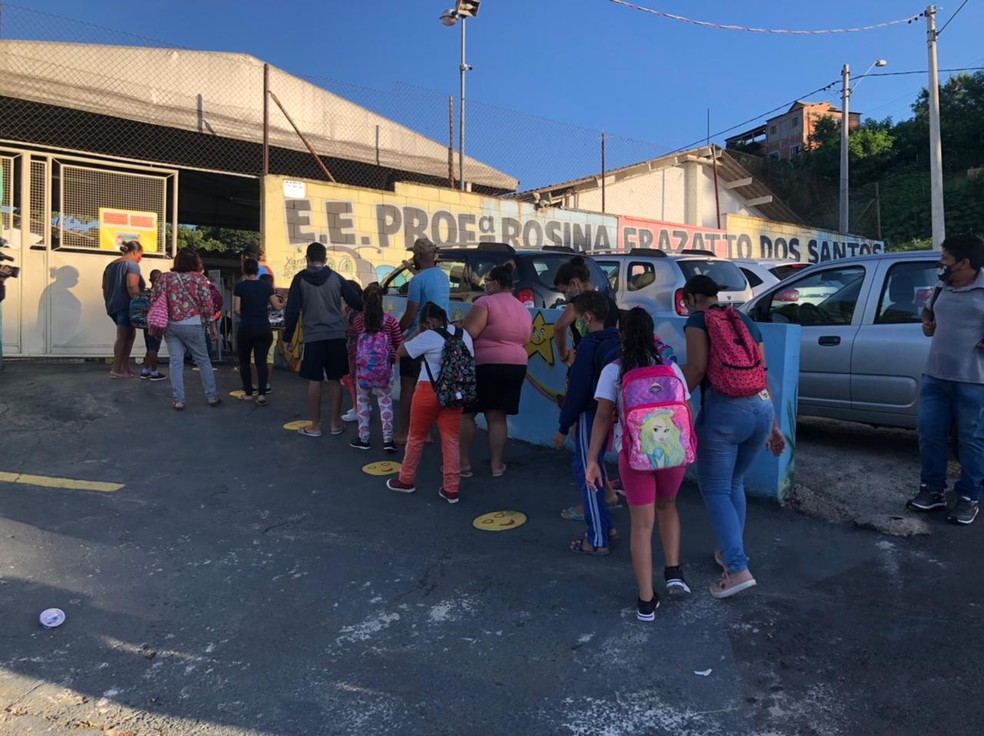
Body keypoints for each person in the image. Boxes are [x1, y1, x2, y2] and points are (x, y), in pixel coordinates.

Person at [681, 275, 785, 599]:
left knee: (713, 489)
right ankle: (728, 553)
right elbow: (760, 373)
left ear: (691, 298)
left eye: (685, 301)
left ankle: (737, 569)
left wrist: (672, 395)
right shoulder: (743, 320)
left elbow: (697, 369)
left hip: (726, 414)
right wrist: (775, 426)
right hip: (761, 411)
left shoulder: (699, 321)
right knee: (734, 483)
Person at [584, 307, 691, 621]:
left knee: (642, 526)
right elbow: (686, 412)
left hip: (634, 457)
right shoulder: (671, 368)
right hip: (672, 454)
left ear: (621, 334)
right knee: (668, 506)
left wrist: (593, 460)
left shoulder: (613, 371)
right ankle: (673, 571)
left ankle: (646, 601)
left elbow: (603, 419)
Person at [907, 234, 984, 525]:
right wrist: (927, 322)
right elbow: (928, 312)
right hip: (936, 375)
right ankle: (932, 491)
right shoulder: (943, 285)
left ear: (965, 263)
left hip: (974, 380)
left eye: (946, 260)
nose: (941, 265)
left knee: (971, 441)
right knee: (929, 433)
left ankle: (967, 497)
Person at [553, 255, 623, 519]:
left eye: (564, 290)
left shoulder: (580, 304)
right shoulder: (609, 301)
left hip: (586, 370)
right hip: (608, 371)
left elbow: (558, 328)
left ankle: (593, 504)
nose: (564, 296)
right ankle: (606, 493)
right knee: (597, 433)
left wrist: (563, 354)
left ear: (573, 283)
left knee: (583, 440)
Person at [387, 302, 474, 503]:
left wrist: (417, 331)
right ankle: (451, 489)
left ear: (429, 321)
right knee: (451, 439)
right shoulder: (464, 335)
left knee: (416, 437)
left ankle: (406, 480)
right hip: (455, 392)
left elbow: (401, 350)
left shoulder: (428, 336)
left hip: (428, 390)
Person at [283, 242, 364, 437]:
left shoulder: (300, 279)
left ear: (307, 259)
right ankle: (335, 424)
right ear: (325, 259)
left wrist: (287, 338)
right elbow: (357, 301)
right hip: (336, 335)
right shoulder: (336, 278)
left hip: (313, 337)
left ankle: (315, 426)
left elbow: (292, 311)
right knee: (335, 379)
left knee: (315, 380)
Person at [459, 263, 533, 477]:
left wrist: (461, 324)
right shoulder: (523, 309)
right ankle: (496, 466)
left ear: (497, 283)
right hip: (516, 365)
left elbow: (471, 332)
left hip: (486, 364)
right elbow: (526, 339)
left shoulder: (485, 302)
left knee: (466, 414)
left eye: (488, 281)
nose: (486, 285)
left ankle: (462, 464)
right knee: (497, 416)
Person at [151, 248, 223, 410]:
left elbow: (155, 299)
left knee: (176, 362)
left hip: (170, 325)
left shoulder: (164, 278)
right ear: (194, 262)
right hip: (193, 324)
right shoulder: (199, 279)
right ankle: (211, 396)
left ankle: (179, 400)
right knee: (203, 361)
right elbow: (207, 304)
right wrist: (211, 326)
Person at [395, 237, 450, 444]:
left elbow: (410, 314)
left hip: (420, 334)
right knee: (430, 386)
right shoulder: (442, 276)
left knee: (409, 386)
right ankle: (426, 432)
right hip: (442, 336)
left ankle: (406, 432)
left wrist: (397, 333)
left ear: (417, 256)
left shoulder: (417, 280)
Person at [349, 283, 403, 452]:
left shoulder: (358, 320)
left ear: (364, 300)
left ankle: (364, 438)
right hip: (385, 367)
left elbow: (356, 337)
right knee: (385, 402)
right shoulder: (390, 321)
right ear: (382, 301)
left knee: (363, 401)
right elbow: (398, 342)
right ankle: (388, 440)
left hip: (363, 369)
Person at [233, 258, 284, 406]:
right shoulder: (265, 286)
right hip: (263, 327)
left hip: (246, 328)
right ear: (257, 270)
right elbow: (277, 306)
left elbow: (236, 309)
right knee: (261, 361)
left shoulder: (240, 287)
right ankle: (262, 395)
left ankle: (249, 393)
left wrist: (247, 316)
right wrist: (284, 301)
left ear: (244, 270)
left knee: (245, 361)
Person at [102, 240, 144, 378]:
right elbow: (132, 285)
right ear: (134, 252)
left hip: (113, 305)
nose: (140, 258)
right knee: (123, 336)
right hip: (126, 305)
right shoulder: (132, 265)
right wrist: (140, 302)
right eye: (140, 255)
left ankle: (124, 367)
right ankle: (116, 369)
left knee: (129, 335)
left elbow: (104, 287)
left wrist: (108, 302)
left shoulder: (110, 266)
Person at [341, 279, 363, 424]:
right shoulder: (356, 308)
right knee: (351, 379)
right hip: (355, 349)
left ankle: (358, 409)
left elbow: (353, 329)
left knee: (352, 379)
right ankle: (359, 406)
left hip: (354, 349)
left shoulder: (354, 311)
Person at [139, 269, 166, 381]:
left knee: (149, 347)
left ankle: (145, 370)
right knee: (154, 348)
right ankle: (154, 372)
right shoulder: (161, 294)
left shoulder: (145, 293)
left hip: (146, 323)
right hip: (157, 323)